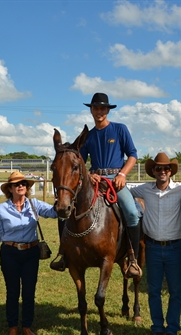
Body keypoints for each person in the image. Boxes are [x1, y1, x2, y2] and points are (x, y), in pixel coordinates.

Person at [50, 92, 141, 277]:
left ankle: (133, 259)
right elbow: (79, 163)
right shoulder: (88, 136)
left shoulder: (120, 129)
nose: (99, 111)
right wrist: (90, 175)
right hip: (95, 180)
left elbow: (132, 155)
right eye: (95, 108)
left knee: (132, 212)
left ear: (107, 110)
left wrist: (122, 174)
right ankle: (64, 254)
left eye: (102, 108)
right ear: (91, 110)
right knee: (65, 212)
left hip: (116, 180)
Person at [0, 172, 57, 335]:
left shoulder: (34, 204)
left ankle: (26, 327)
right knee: (12, 292)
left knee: (29, 292)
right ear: (10, 188)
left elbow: (54, 213)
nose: (21, 186)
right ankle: (13, 328)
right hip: (10, 253)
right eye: (16, 184)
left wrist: (62, 199)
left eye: (23, 183)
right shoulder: (2, 209)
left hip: (31, 253)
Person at [129, 153, 181, 335]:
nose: (162, 171)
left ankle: (171, 329)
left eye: (166, 168)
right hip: (152, 247)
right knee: (154, 290)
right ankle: (157, 327)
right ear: (153, 171)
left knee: (176, 291)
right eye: (158, 168)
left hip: (175, 247)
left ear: (170, 171)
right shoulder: (144, 190)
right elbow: (123, 190)